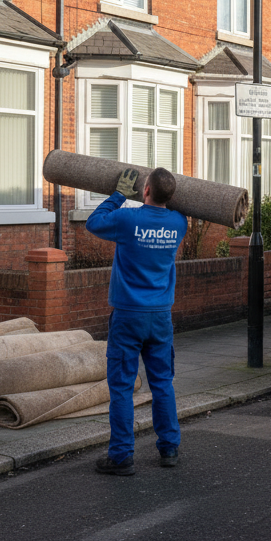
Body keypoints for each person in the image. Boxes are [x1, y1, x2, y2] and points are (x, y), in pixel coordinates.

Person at [86, 167, 188, 475]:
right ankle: (169, 449)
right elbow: (173, 208)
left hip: (128, 315)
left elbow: (93, 223)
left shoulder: (127, 220)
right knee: (162, 384)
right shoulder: (179, 223)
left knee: (121, 386)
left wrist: (118, 195)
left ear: (144, 191)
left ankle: (121, 456)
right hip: (160, 317)